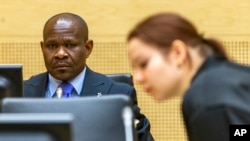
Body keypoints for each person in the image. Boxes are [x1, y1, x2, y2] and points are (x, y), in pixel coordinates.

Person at [23, 12, 154, 141]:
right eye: (52, 46)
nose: (60, 54)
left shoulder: (118, 94)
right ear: (42, 48)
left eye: (70, 45)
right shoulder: (19, 94)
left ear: (87, 48)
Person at [127, 12, 250, 141]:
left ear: (178, 53)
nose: (138, 78)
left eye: (143, 64)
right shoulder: (229, 77)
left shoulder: (205, 98)